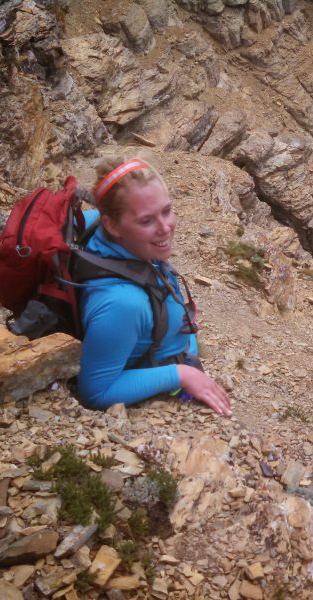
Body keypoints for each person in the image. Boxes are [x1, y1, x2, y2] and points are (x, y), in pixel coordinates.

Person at [76, 157, 231, 416]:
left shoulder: (118, 242)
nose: (165, 228)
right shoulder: (122, 305)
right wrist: (180, 374)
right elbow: (96, 391)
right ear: (112, 225)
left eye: (167, 211)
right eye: (146, 221)